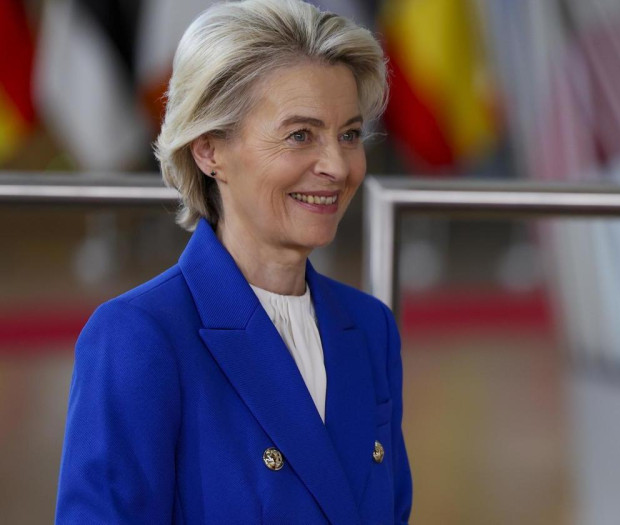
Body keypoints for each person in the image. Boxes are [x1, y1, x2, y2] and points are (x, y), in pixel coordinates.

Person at [54, 0, 412, 522]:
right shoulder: (138, 336)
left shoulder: (370, 327)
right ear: (209, 151)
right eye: (300, 135)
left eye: (349, 135)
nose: (337, 166)